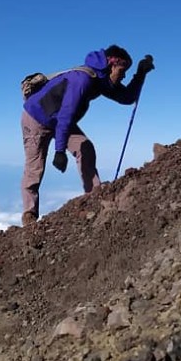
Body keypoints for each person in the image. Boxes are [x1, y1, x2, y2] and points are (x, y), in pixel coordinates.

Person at [19, 45, 155, 227]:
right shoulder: (82, 79)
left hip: (59, 122)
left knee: (86, 147)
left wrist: (140, 74)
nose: (123, 76)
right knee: (35, 167)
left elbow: (126, 97)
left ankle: (94, 194)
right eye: (122, 71)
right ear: (111, 63)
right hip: (36, 119)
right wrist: (60, 151)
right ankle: (29, 215)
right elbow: (66, 115)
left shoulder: (101, 81)